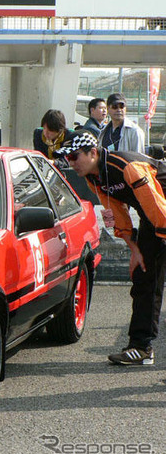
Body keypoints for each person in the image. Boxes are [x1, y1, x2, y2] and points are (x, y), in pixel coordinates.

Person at [55, 129, 164, 365]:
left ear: (92, 152)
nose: (70, 163)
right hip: (152, 217)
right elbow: (116, 212)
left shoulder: (127, 167)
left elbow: (157, 207)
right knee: (143, 276)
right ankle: (141, 347)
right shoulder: (94, 177)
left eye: (74, 157)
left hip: (161, 212)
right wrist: (133, 247)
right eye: (67, 158)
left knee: (151, 275)